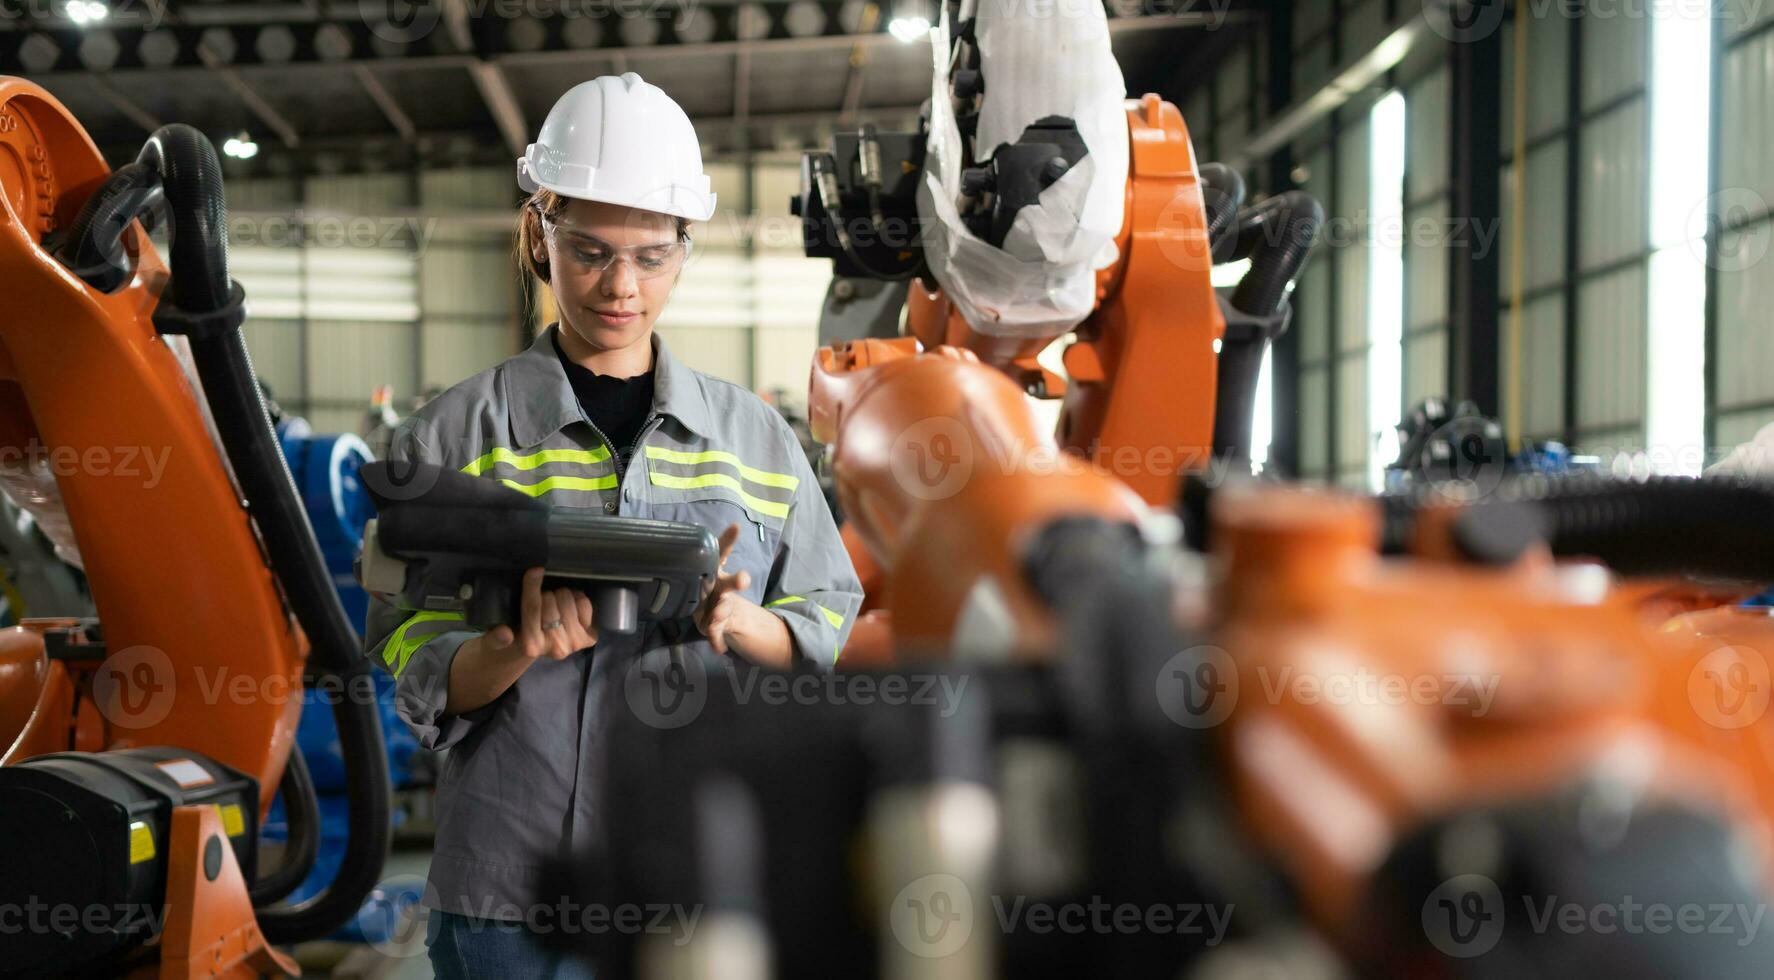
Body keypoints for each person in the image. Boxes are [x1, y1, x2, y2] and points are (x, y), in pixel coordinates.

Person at [361, 73, 863, 979]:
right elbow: (404, 644)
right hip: (507, 896)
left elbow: (829, 617)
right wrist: (512, 644)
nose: (620, 286)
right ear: (538, 234)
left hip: (703, 886)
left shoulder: (755, 437)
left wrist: (752, 628)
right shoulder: (451, 437)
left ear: (683, 249)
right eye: (589, 251)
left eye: (652, 256)